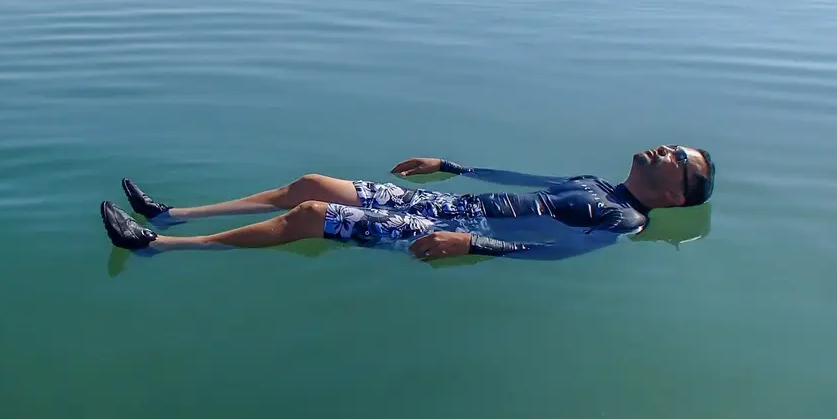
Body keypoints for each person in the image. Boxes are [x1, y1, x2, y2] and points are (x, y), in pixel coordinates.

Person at [99, 144, 715, 261]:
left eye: (679, 159)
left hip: (459, 232)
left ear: (675, 195)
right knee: (310, 184)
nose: (667, 148)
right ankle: (169, 213)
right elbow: (521, 175)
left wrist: (475, 245)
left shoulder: (626, 220)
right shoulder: (596, 185)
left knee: (310, 217)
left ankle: (155, 246)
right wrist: (451, 167)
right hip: (450, 209)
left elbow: (559, 250)